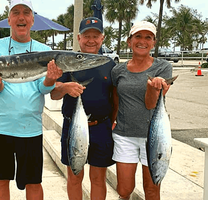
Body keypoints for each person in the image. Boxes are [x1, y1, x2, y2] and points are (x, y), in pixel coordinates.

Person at [0, 0, 63, 199]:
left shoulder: (44, 50)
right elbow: (0, 88)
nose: (21, 17)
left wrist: (51, 78)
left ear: (32, 20)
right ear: (9, 19)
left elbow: (41, 88)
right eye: (16, 12)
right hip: (1, 126)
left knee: (33, 181)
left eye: (26, 12)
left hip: (31, 127)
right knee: (1, 179)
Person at [50, 17, 118, 200]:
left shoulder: (109, 65)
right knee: (74, 176)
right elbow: (53, 94)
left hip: (101, 128)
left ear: (102, 38)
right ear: (78, 38)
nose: (91, 40)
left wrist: (113, 122)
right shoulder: (66, 64)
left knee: (98, 178)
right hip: (73, 127)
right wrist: (64, 87)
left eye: (95, 36)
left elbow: (115, 97)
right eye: (86, 36)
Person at [111, 21, 174, 200]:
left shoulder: (163, 68)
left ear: (153, 43)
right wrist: (111, 123)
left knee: (152, 188)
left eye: (148, 37)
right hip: (124, 135)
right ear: (129, 41)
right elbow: (116, 100)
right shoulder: (118, 70)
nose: (142, 41)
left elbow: (150, 105)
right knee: (123, 189)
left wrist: (154, 89)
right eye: (138, 36)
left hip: (154, 136)